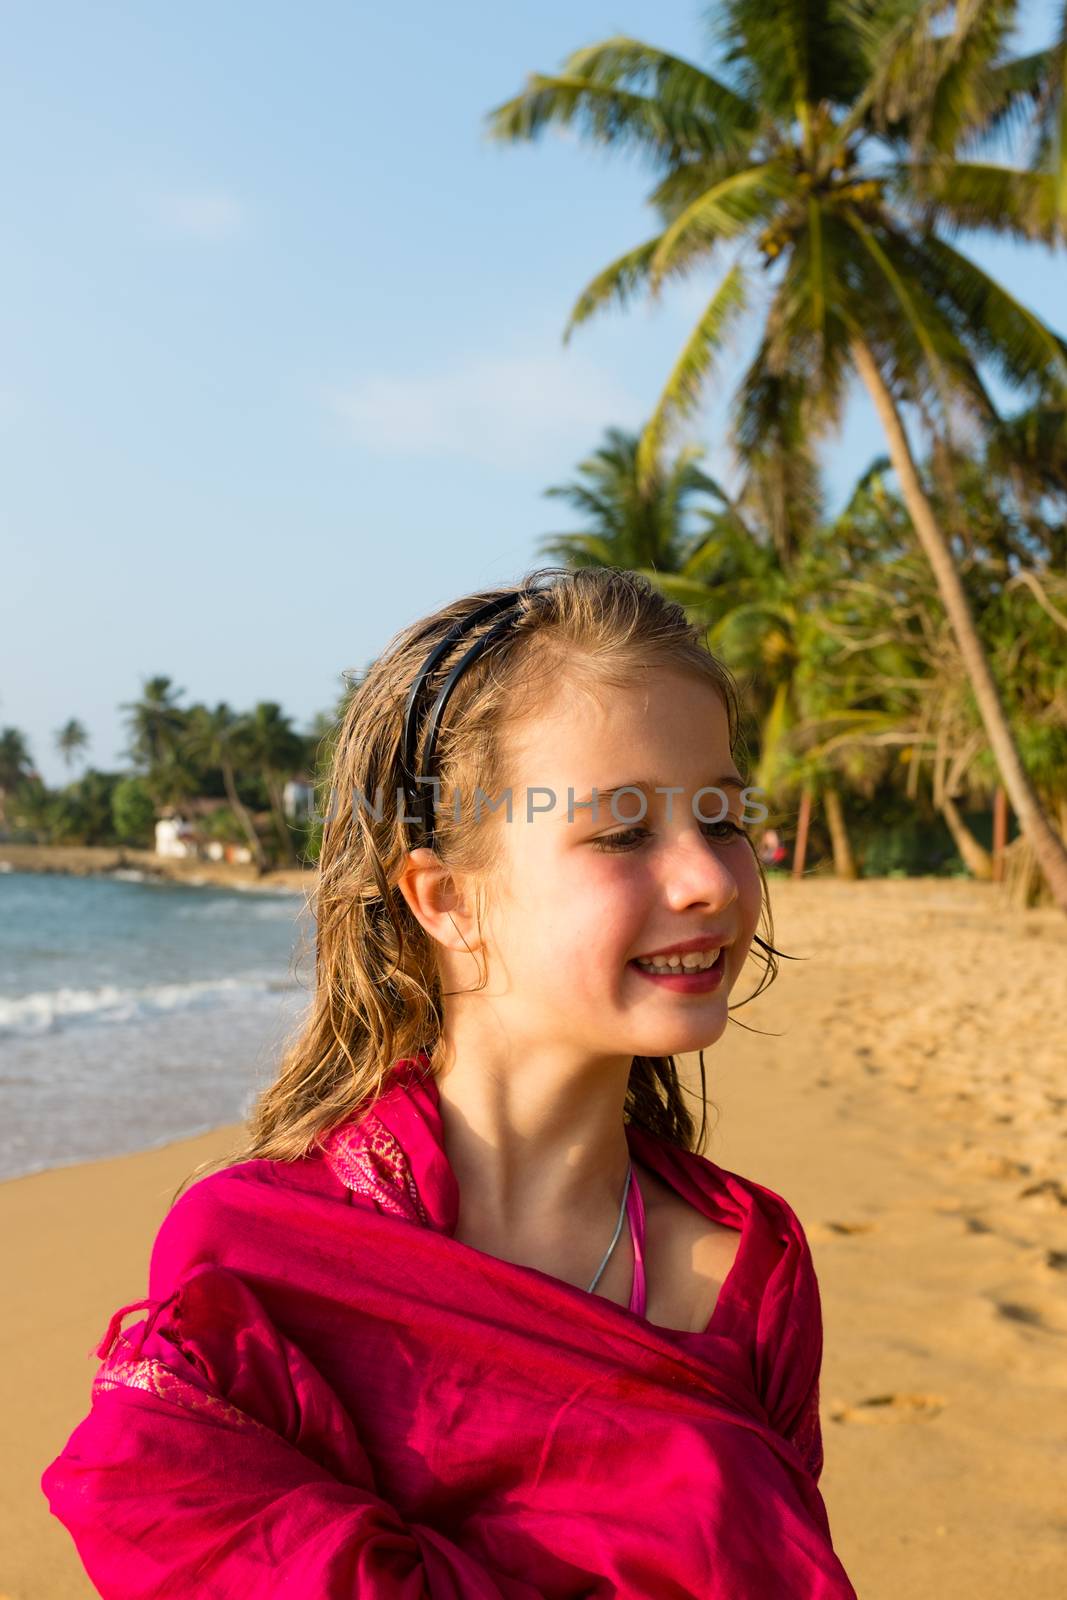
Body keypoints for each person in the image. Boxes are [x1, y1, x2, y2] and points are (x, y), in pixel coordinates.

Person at [42, 566, 857, 1597]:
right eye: (621, 832)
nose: (708, 877)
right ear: (445, 898)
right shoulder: (256, 1255)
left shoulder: (751, 1265)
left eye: (722, 816)